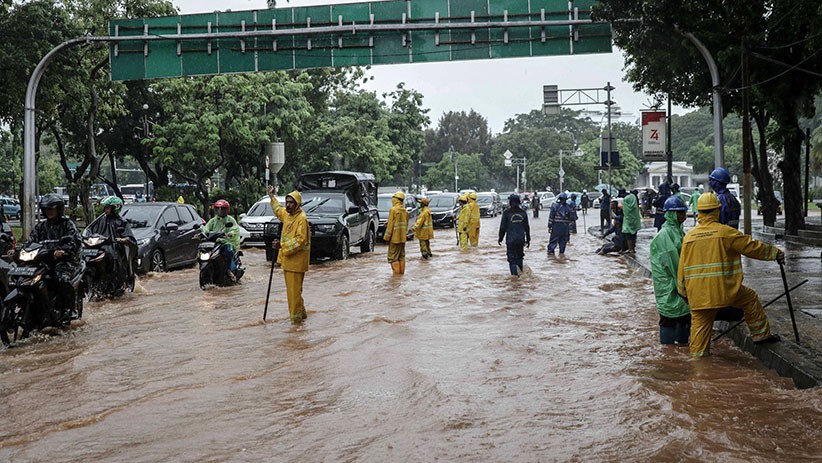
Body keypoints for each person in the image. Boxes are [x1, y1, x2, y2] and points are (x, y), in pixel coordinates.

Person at [677, 192, 784, 358]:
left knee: (698, 347)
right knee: (750, 298)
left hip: (698, 296)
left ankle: (698, 370)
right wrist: (774, 253)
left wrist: (683, 292)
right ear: (717, 211)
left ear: (698, 212)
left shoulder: (689, 237)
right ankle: (761, 335)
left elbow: (682, 268)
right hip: (725, 291)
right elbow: (752, 247)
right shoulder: (725, 232)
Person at [23, 194, 82, 324]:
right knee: (23, 278)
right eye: (46, 209)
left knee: (61, 278)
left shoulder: (67, 224)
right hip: (43, 261)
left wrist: (64, 251)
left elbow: (75, 240)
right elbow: (29, 241)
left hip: (65, 262)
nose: (49, 212)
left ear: (59, 209)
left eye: (52, 209)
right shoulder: (41, 227)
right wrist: (18, 251)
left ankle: (70, 309)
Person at [650, 195, 691, 345]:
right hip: (668, 284)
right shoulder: (664, 235)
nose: (683, 216)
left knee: (684, 316)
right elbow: (673, 264)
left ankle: (681, 347)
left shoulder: (678, 232)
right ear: (671, 214)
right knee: (669, 318)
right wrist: (682, 286)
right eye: (679, 213)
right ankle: (668, 351)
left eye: (683, 212)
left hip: (678, 282)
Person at [268, 185, 310, 324]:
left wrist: (282, 246)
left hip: (296, 263)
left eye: (291, 202)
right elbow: (278, 210)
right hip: (288, 261)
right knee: (294, 292)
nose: (288, 205)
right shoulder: (287, 214)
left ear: (297, 204)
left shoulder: (301, 219)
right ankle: (302, 315)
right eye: (287, 202)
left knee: (293, 294)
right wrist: (272, 197)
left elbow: (301, 240)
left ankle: (296, 322)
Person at [86, 196, 137, 280]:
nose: (106, 210)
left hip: (114, 247)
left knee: (112, 258)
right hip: (100, 245)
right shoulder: (101, 220)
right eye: (105, 208)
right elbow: (90, 229)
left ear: (115, 208)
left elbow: (129, 237)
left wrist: (122, 239)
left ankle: (115, 280)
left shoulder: (122, 222)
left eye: (108, 208)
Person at [203, 199, 241, 282]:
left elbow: (235, 229)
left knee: (229, 250)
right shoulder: (213, 220)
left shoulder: (230, 220)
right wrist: (201, 234)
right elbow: (206, 228)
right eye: (218, 208)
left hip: (226, 242)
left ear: (227, 210)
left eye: (223, 209)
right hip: (214, 242)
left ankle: (230, 269)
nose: (220, 211)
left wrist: (230, 233)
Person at [498, 193, 530, 275]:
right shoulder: (523, 213)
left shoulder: (506, 213)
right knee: (520, 258)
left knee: (512, 259)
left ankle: (514, 277)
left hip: (511, 240)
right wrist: (528, 239)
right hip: (520, 240)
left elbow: (503, 227)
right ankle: (519, 276)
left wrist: (500, 238)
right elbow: (527, 227)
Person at [383, 191, 409, 274]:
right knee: (401, 257)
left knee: (393, 258)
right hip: (403, 239)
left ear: (396, 199)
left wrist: (386, 238)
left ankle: (396, 278)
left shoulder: (393, 210)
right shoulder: (405, 211)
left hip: (394, 239)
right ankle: (401, 277)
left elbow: (390, 226)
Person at [547, 192, 573, 260]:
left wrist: (549, 226)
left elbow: (551, 218)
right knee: (563, 243)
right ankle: (561, 255)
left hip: (556, 227)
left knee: (553, 241)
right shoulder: (568, 207)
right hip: (564, 228)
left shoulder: (554, 206)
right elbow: (571, 219)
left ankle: (551, 254)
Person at [621, 189, 641, 254]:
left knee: (628, 235)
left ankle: (630, 249)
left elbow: (625, 210)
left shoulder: (626, 199)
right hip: (635, 218)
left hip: (628, 219)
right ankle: (633, 248)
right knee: (634, 234)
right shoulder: (633, 197)